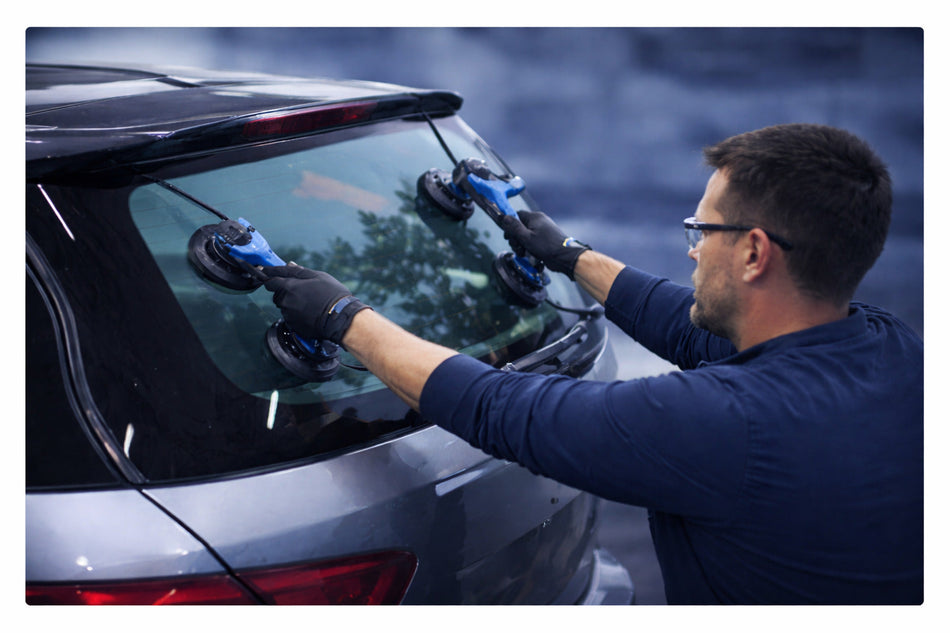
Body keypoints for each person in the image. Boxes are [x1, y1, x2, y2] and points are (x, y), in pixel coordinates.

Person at [262, 123, 923, 604]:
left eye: (701, 233)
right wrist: (568, 253)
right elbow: (693, 326)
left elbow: (502, 408)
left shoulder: (730, 423)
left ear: (754, 253)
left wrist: (342, 316)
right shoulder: (889, 347)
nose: (692, 252)